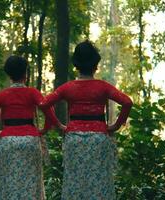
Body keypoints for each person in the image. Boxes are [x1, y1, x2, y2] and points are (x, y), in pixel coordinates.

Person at [40, 40, 133, 200]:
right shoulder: (103, 87)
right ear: (96, 64)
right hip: (99, 139)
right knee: (100, 182)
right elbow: (127, 102)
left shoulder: (67, 88)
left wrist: (59, 125)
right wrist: (115, 126)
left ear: (76, 64)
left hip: (74, 139)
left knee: (74, 182)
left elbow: (44, 104)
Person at [0, 55, 62, 200]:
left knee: (9, 182)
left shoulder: (3, 95)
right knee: (32, 182)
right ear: (25, 73)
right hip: (30, 140)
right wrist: (45, 129)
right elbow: (48, 108)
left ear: (9, 74)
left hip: (8, 141)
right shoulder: (32, 93)